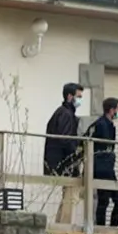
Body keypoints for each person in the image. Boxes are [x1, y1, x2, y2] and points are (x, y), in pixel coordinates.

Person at [43, 82, 84, 224]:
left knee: (68, 196)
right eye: (79, 96)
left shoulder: (62, 113)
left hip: (60, 162)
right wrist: (77, 153)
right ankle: (64, 225)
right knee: (71, 197)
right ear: (69, 96)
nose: (80, 100)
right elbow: (66, 140)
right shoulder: (66, 114)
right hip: (65, 164)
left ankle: (61, 223)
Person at [88, 97, 118, 227]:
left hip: (108, 168)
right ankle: (101, 228)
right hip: (101, 168)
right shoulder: (100, 125)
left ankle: (111, 228)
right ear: (111, 110)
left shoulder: (109, 125)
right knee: (104, 201)